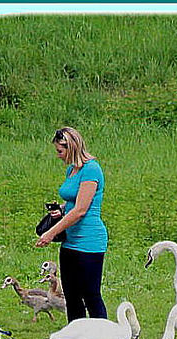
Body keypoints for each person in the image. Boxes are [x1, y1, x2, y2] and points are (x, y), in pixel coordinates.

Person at [35, 126, 108, 321]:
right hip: (70, 241)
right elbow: (72, 203)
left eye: (60, 151)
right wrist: (60, 209)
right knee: (72, 296)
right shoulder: (71, 170)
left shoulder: (91, 169)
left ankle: (101, 338)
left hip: (89, 241)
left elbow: (81, 210)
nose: (58, 156)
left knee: (90, 295)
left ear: (72, 147)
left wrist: (51, 233)